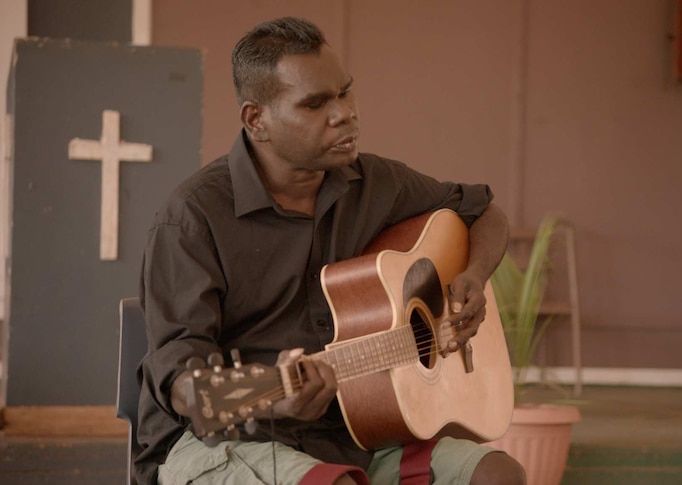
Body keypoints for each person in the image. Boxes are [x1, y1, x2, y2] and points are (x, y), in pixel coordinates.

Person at [137, 16, 524, 485]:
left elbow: (484, 212)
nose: (345, 113)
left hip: (359, 434)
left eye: (344, 92)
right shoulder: (192, 217)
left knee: (498, 475)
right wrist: (275, 398)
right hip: (232, 440)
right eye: (316, 104)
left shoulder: (375, 182)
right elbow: (182, 379)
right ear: (256, 120)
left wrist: (474, 277)